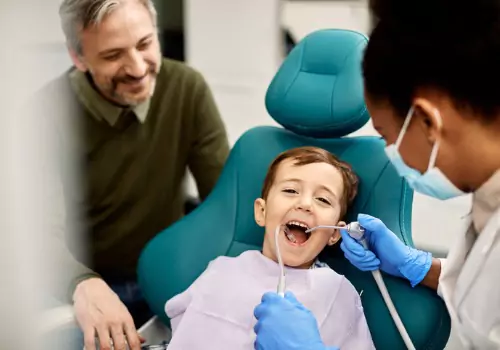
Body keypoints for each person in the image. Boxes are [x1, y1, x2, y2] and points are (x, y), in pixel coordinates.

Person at [252, 0, 500, 349]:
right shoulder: (489, 196)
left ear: (428, 121)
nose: (389, 153)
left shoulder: (337, 298)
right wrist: (420, 268)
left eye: (387, 136)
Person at [37, 0, 230, 349]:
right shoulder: (45, 113)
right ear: (78, 58)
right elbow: (38, 236)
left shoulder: (186, 87)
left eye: (145, 44)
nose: (138, 68)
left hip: (167, 275)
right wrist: (82, 283)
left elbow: (225, 203)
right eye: (113, 56)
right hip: (86, 284)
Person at [163, 147, 375, 350]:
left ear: (335, 233)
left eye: (322, 199)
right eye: (291, 190)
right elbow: (180, 324)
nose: (305, 204)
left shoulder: (337, 291)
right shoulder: (221, 270)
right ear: (261, 212)